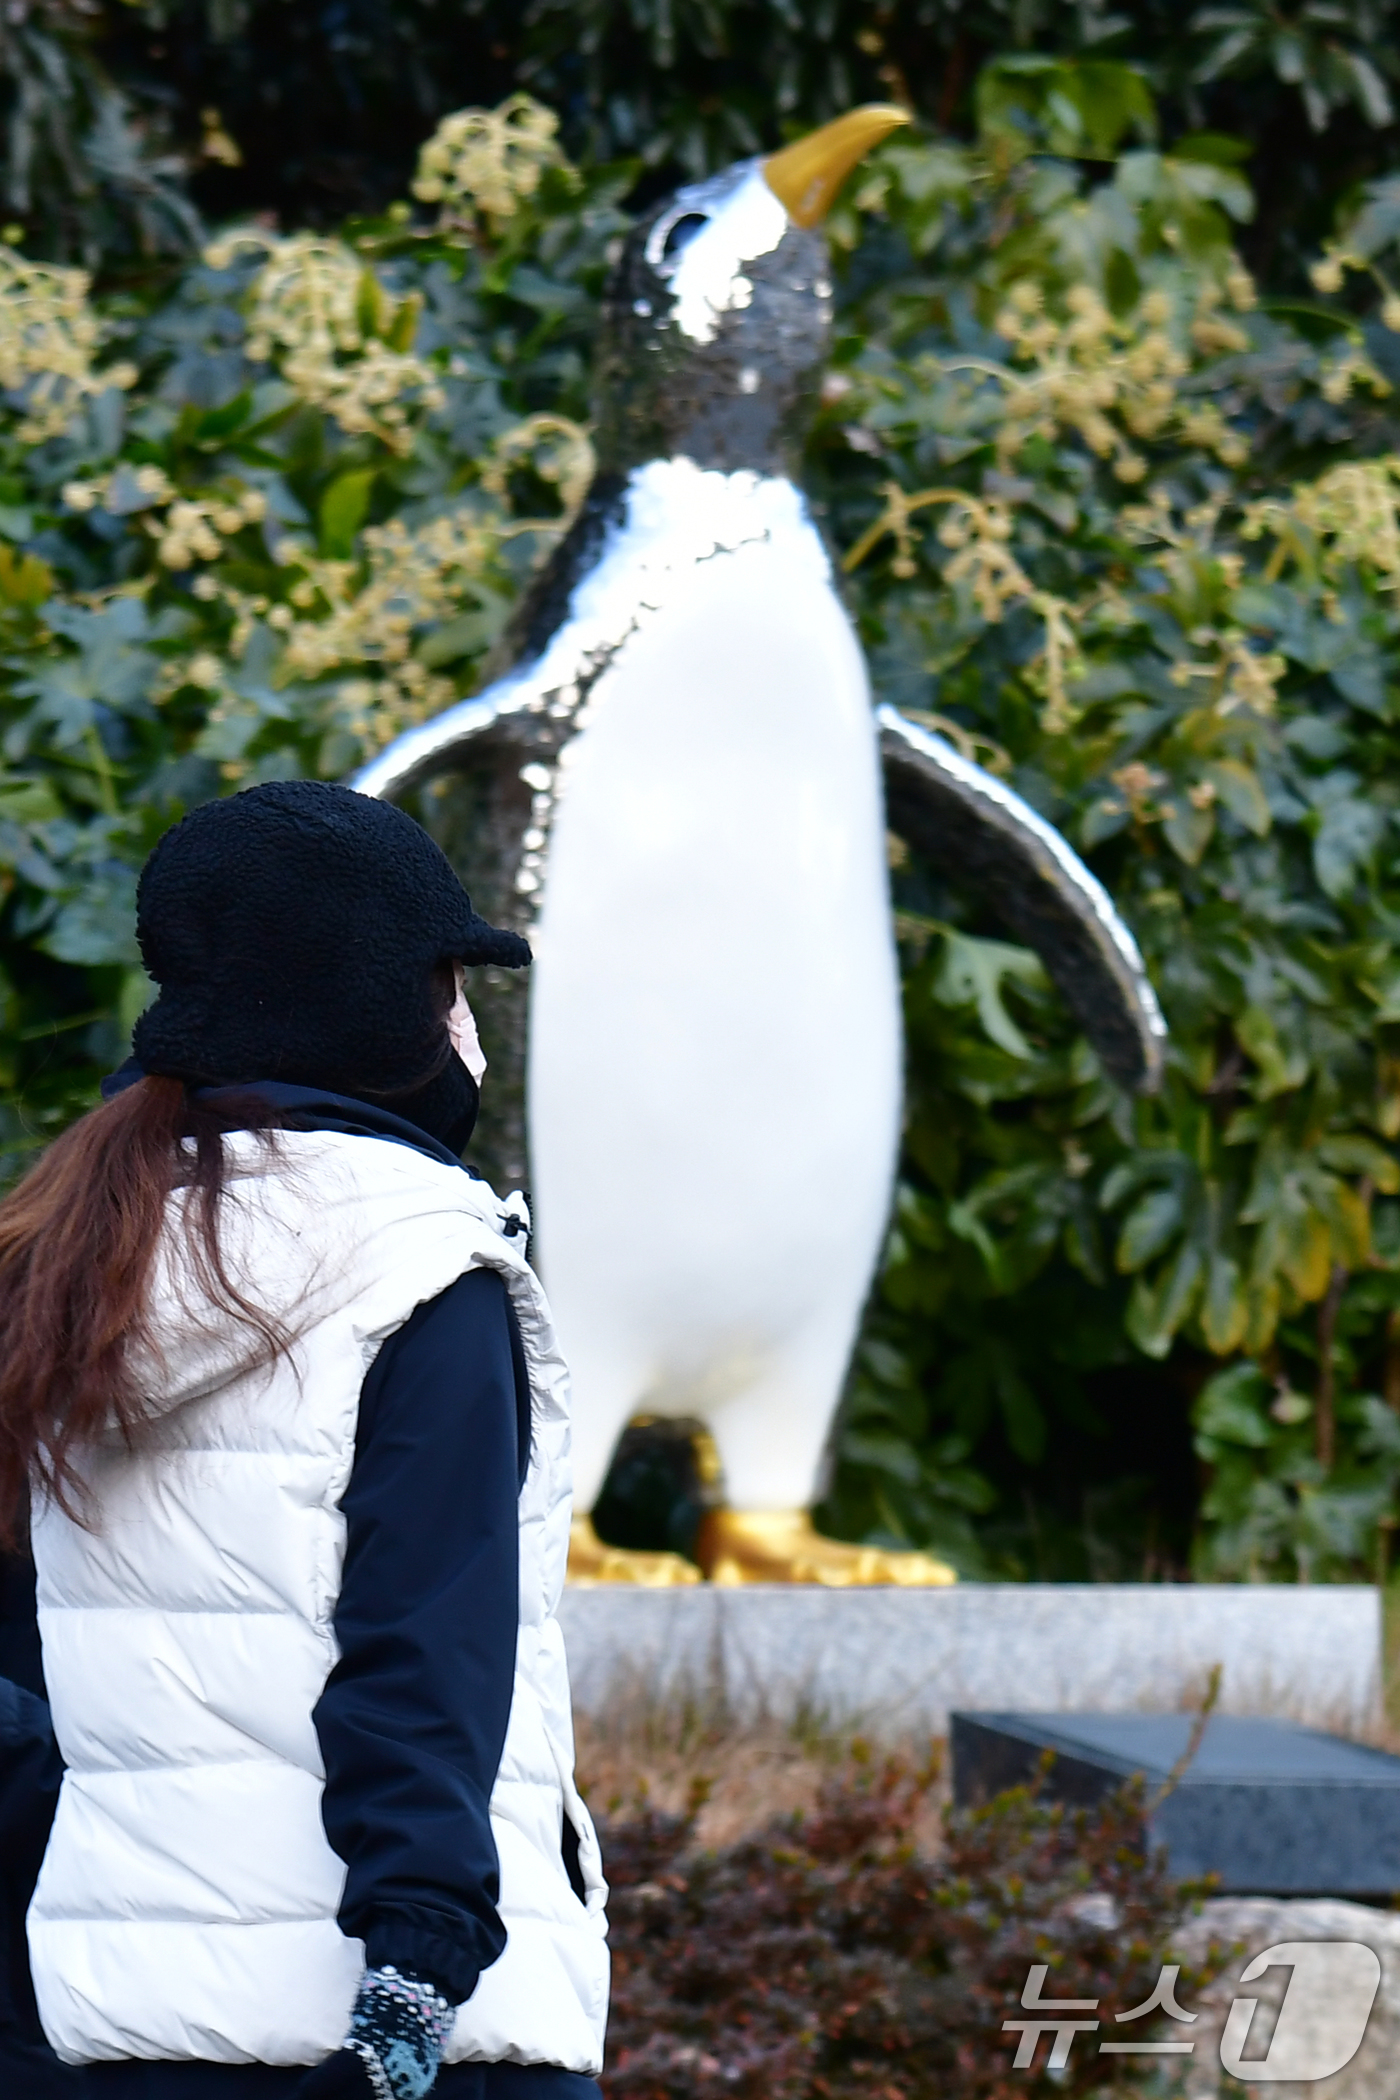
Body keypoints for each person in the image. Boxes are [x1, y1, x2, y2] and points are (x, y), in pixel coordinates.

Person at [0, 781, 609, 2099]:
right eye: (452, 984)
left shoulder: (70, 1260)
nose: (465, 1023)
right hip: (396, 2033)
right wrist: (417, 1976)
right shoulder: (419, 1269)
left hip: (105, 2019)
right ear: (384, 1002)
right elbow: (422, 1650)